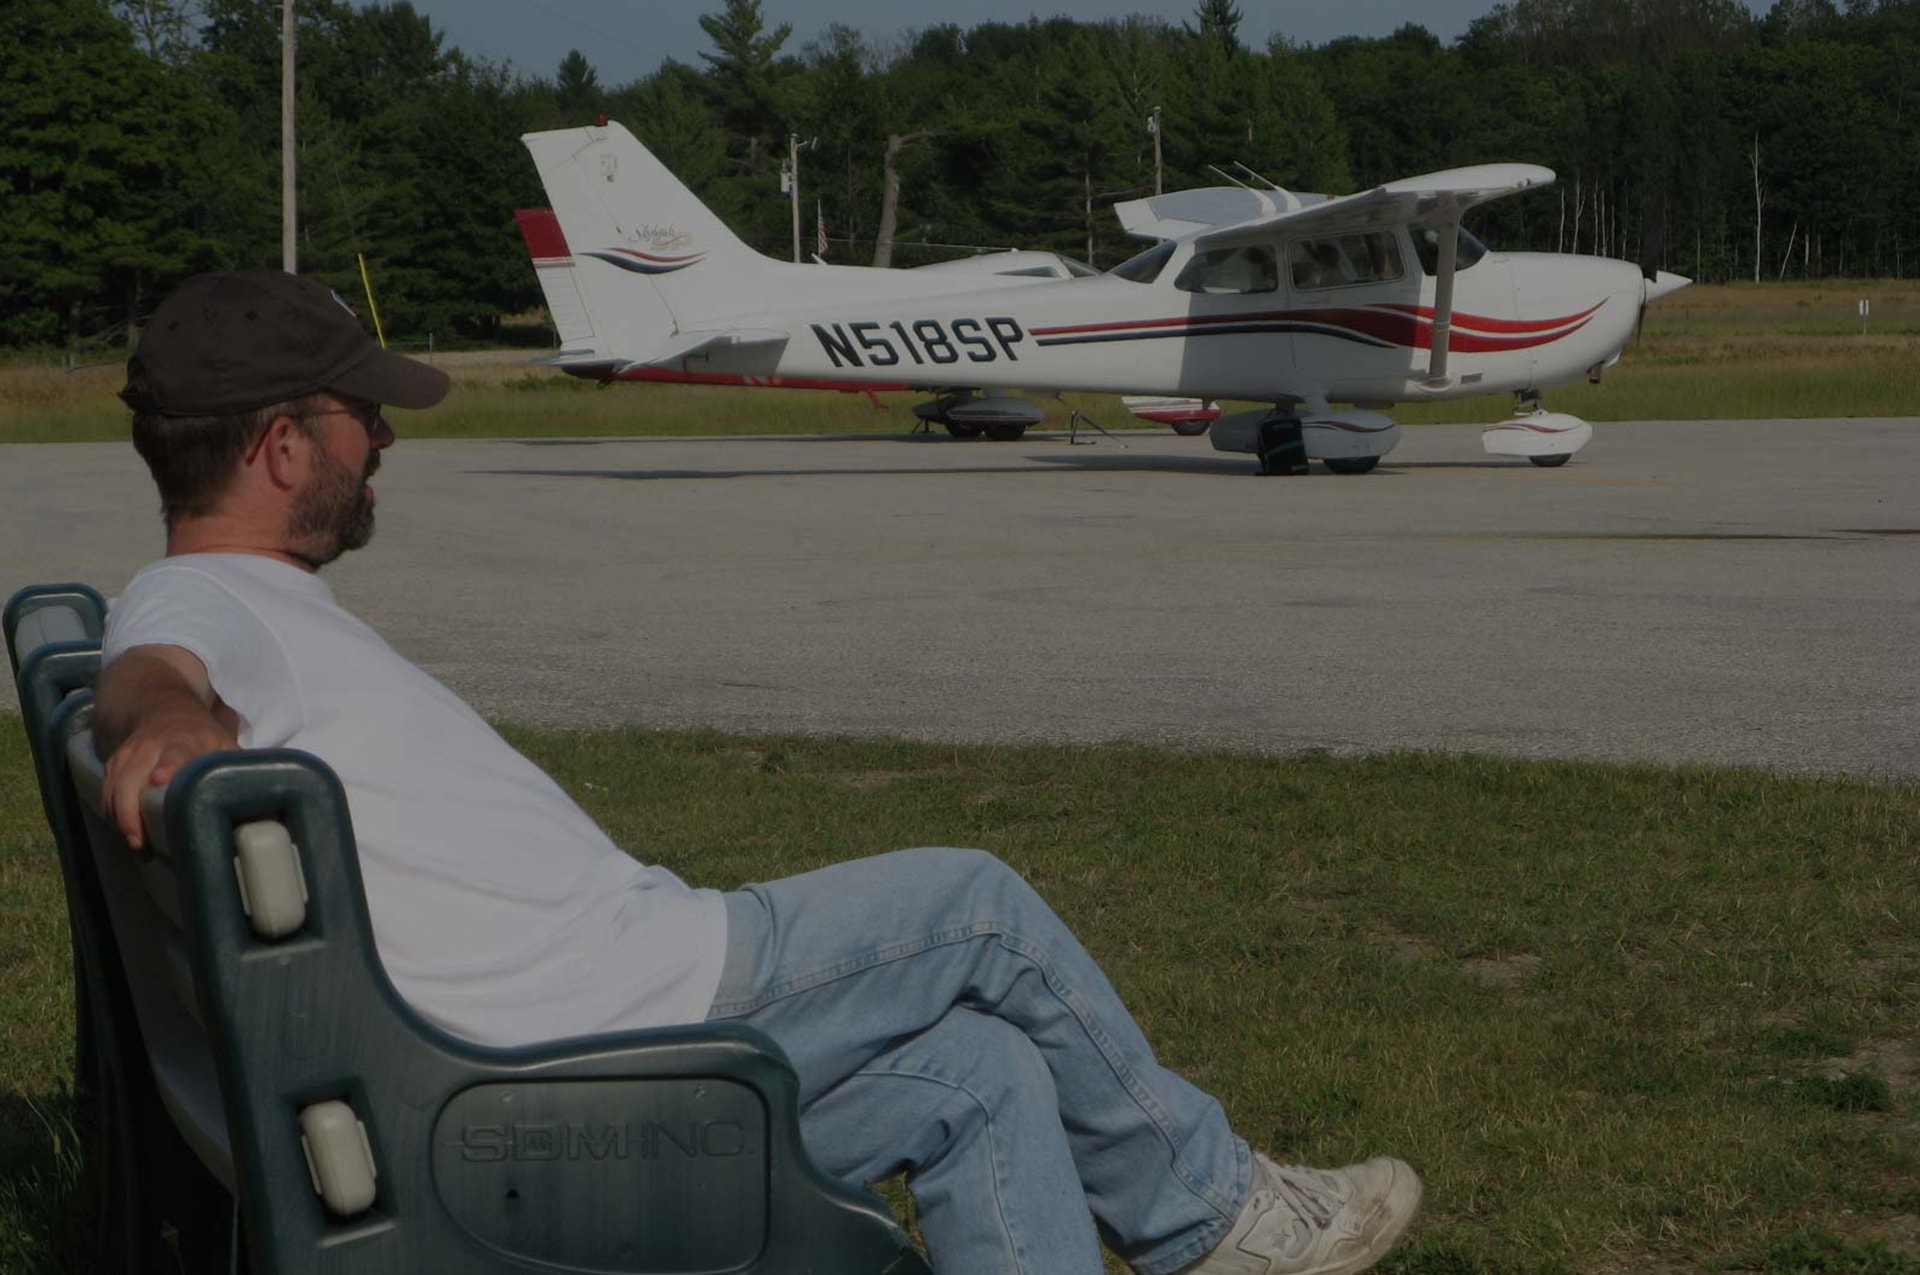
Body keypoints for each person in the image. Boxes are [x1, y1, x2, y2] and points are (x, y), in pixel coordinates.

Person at [95, 269, 1422, 1275]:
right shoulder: (209, 600)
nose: (384, 441)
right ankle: (1212, 1218)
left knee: (979, 1073)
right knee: (974, 904)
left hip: (572, 1024)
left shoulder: (256, 602)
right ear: (279, 448)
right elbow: (156, 668)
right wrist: (159, 724)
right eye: (362, 418)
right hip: (577, 1051)